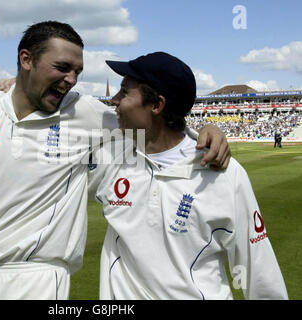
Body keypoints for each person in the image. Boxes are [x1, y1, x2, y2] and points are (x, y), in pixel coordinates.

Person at [0, 21, 230, 300]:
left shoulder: (86, 113)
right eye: (62, 68)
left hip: (36, 280)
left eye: (77, 72)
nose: (71, 80)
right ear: (26, 60)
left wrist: (205, 129)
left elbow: (154, 123)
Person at [89, 52, 288, 299]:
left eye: (124, 92)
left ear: (156, 105)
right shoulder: (114, 153)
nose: (114, 100)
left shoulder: (224, 173)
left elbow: (257, 267)